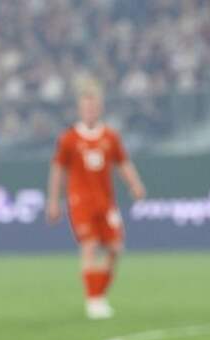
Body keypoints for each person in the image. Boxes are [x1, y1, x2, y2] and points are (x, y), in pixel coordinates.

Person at [47, 77, 146, 320]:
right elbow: (58, 170)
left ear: (100, 108)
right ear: (80, 109)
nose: (90, 110)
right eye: (86, 106)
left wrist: (135, 184)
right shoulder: (69, 138)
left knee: (115, 248)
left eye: (94, 106)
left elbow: (122, 163)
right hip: (80, 202)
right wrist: (53, 201)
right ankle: (93, 300)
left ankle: (100, 295)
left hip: (106, 202)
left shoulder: (110, 136)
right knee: (89, 245)